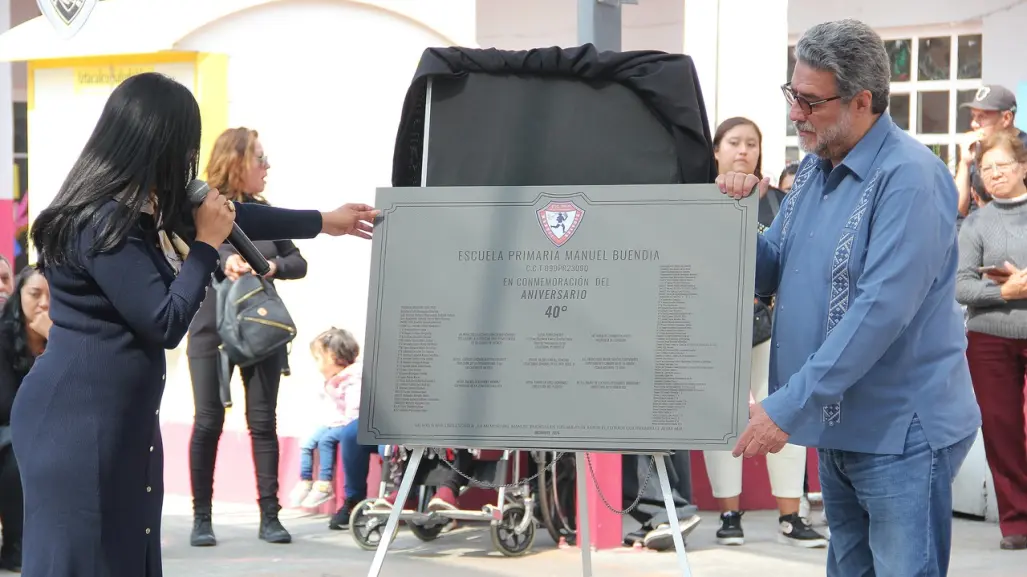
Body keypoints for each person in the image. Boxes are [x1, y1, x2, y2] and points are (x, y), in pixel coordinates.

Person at [10, 72, 378, 577]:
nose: (188, 159)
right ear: (154, 141)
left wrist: (324, 221)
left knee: (128, 556)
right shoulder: (99, 221)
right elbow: (164, 322)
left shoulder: (146, 206)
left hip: (122, 419)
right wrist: (205, 247)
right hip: (77, 423)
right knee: (86, 560)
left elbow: (238, 216)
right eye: (184, 144)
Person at [718, 19, 981, 576]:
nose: (794, 115)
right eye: (792, 95)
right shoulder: (815, 170)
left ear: (862, 101)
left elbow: (878, 314)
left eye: (810, 102)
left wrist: (785, 407)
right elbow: (773, 269)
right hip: (838, 425)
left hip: (901, 432)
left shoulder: (910, 178)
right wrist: (735, 217)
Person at [703, 117, 826, 548]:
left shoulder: (777, 201)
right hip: (715, 328)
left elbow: (789, 260)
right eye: (733, 142)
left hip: (771, 330)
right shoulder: (700, 200)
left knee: (780, 414)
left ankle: (791, 517)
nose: (743, 150)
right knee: (723, 422)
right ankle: (729, 516)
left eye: (751, 143)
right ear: (715, 150)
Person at [185, 127, 310, 547]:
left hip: (261, 326)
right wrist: (228, 260)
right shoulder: (203, 207)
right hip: (211, 326)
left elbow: (298, 261)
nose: (267, 165)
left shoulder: (263, 211)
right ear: (238, 161)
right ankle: (202, 518)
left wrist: (271, 268)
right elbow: (200, 249)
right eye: (260, 158)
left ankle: (270, 516)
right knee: (208, 421)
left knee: (262, 422)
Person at [955, 130, 1027, 550]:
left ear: (1023, 167)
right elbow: (962, 288)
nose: (994, 174)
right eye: (987, 168)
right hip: (988, 340)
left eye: (1002, 166)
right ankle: (1016, 521)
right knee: (1001, 431)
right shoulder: (977, 222)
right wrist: (1005, 292)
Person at [288, 327, 378, 531]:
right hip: (337, 422)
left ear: (334, 357)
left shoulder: (353, 378)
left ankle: (326, 484)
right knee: (310, 440)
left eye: (319, 359)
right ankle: (307, 481)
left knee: (337, 437)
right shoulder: (334, 379)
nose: (317, 365)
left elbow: (354, 413)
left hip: (352, 423)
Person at [0, 267, 51, 572]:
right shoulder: (3, 337)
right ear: (19, 297)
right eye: (35, 294)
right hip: (9, 432)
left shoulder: (62, 338)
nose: (44, 303)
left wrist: (53, 340)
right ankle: (15, 546)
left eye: (51, 296)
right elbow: (7, 406)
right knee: (17, 456)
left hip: (48, 432)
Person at [955, 84, 1027, 219]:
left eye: (981, 117)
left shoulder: (1024, 148)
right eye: (973, 117)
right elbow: (958, 209)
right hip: (977, 228)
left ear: (1006, 118)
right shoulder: (976, 148)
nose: (974, 124)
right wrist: (965, 163)